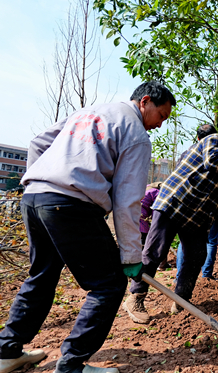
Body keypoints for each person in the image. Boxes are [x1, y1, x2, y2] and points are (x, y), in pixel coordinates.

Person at [0, 81, 176, 373]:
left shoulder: (90, 112)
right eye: (162, 115)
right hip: (69, 206)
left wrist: (41, 179)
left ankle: (6, 351)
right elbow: (128, 200)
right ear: (145, 101)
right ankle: (71, 366)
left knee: (41, 275)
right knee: (109, 284)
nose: (160, 124)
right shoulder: (136, 135)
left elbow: (38, 143)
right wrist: (132, 257)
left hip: (33, 199)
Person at [123, 127, 218, 323]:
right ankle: (136, 297)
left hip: (196, 216)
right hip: (174, 203)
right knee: (155, 252)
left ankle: (181, 301)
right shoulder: (215, 141)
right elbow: (212, 161)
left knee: (197, 255)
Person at [175, 124, 218, 280]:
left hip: (187, 204)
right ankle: (206, 276)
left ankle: (178, 278)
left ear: (197, 138)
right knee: (210, 241)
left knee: (184, 241)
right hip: (211, 204)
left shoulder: (186, 154)